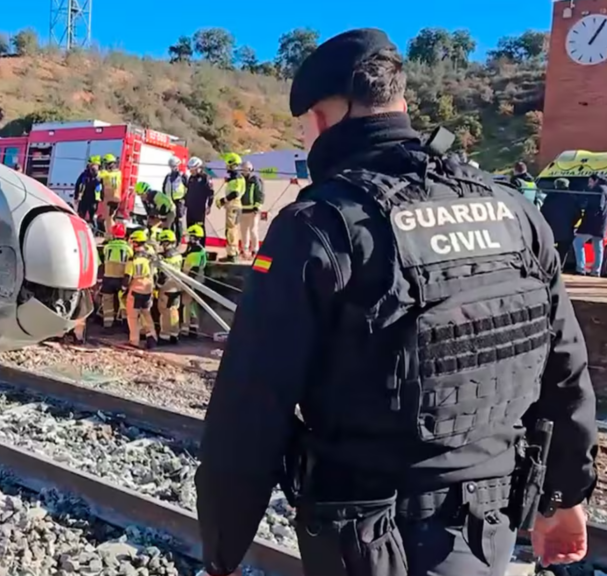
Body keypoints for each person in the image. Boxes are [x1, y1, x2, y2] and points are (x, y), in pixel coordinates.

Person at [195, 28, 598, 576]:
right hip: (492, 526)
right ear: (400, 105)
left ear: (322, 119)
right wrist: (564, 497)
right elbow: (565, 368)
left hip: (367, 537)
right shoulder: (514, 212)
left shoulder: (317, 226)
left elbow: (249, 409)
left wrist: (221, 551)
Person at [124, 229, 157, 349]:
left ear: (135, 243)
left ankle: (134, 341)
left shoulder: (132, 259)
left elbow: (127, 277)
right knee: (146, 314)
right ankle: (152, 337)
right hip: (148, 290)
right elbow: (155, 275)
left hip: (135, 290)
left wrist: (123, 289)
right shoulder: (150, 258)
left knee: (132, 317)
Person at [99, 223, 132, 329]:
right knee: (123, 300)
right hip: (121, 278)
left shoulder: (107, 247)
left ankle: (107, 323)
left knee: (107, 300)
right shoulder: (128, 248)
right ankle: (125, 323)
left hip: (108, 278)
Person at [573, 173, 607, 276]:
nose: (589, 184)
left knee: (577, 242)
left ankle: (580, 268)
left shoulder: (598, 189)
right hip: (602, 223)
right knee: (598, 247)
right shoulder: (605, 189)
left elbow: (598, 206)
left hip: (591, 223)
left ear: (596, 180)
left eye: (590, 181)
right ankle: (596, 271)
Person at [215, 153, 245, 262]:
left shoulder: (236, 178)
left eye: (227, 164)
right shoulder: (237, 177)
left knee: (230, 230)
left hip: (233, 206)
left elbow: (235, 193)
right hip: (236, 206)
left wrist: (223, 201)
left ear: (232, 164)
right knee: (234, 230)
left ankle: (231, 254)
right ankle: (234, 252)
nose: (226, 167)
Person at [155, 229, 184, 345]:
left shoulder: (165, 258)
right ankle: (174, 334)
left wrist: (157, 286)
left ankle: (164, 336)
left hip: (166, 288)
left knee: (165, 312)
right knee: (174, 311)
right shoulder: (178, 255)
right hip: (177, 287)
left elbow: (163, 275)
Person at [180, 224, 208, 338]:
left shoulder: (196, 252)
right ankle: (193, 326)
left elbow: (194, 270)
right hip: (197, 280)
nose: (188, 239)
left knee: (187, 304)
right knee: (192, 305)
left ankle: (186, 329)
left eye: (190, 236)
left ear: (194, 237)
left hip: (192, 280)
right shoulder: (197, 250)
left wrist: (187, 282)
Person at [238, 161, 264, 258]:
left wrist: (257, 207)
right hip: (242, 210)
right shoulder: (240, 180)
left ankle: (255, 250)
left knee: (253, 230)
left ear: (251, 169)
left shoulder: (255, 180)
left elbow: (260, 194)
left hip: (253, 211)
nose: (244, 171)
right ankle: (244, 249)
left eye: (246, 169)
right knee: (243, 231)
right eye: (243, 169)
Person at [186, 157, 214, 233]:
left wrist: (209, 205)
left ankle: (201, 240)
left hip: (200, 208)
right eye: (190, 170)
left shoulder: (206, 178)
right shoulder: (191, 178)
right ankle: (191, 240)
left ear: (198, 168)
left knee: (199, 228)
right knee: (190, 227)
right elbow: (188, 191)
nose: (191, 172)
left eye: (193, 170)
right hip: (190, 208)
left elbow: (211, 193)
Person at [163, 157, 189, 240]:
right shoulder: (168, 177)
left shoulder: (183, 176)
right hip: (170, 202)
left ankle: (179, 240)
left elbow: (188, 188)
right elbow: (164, 188)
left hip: (179, 201)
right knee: (170, 221)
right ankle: (171, 239)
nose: (173, 168)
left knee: (178, 221)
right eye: (171, 166)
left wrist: (184, 199)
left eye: (174, 166)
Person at [74, 157, 102, 224]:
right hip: (84, 198)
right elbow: (77, 184)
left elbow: (103, 187)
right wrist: (76, 196)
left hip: (94, 199)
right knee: (81, 215)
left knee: (92, 217)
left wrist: (102, 197)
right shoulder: (84, 174)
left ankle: (93, 227)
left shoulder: (100, 175)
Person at [100, 154, 123, 231]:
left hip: (111, 199)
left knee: (109, 219)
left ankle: (112, 233)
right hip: (111, 199)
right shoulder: (117, 173)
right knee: (108, 219)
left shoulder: (111, 174)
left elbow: (114, 185)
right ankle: (110, 233)